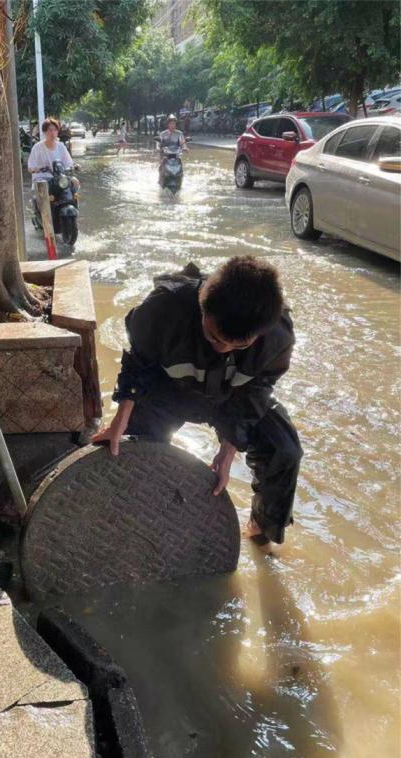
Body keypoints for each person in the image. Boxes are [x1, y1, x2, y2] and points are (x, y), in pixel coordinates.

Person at [93, 257, 302, 554]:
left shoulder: (277, 336)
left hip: (231, 398)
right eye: (214, 337)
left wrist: (228, 451)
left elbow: (257, 391)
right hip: (169, 392)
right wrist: (119, 420)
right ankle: (133, 525)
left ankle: (261, 531)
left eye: (238, 346)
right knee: (127, 448)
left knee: (284, 450)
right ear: (202, 306)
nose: (223, 349)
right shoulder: (163, 308)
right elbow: (137, 365)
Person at [28, 116, 73, 186]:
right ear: (44, 132)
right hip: (42, 178)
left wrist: (73, 167)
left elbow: (68, 163)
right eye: (50, 130)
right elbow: (30, 167)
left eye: (55, 130)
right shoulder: (37, 148)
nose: (53, 133)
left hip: (58, 178)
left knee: (74, 182)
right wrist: (37, 169)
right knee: (43, 185)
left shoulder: (61, 146)